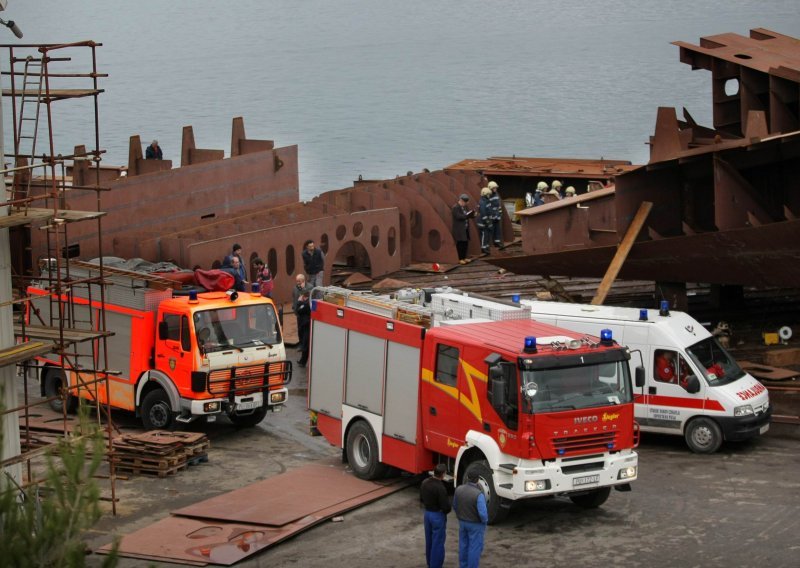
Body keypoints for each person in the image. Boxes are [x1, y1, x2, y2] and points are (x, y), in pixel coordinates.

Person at [453, 469, 488, 568]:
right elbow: (483, 514)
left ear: (468, 478)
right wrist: (484, 523)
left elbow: (455, 505)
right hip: (475, 525)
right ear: (477, 480)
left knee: (463, 546)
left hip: (462, 523)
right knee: (474, 548)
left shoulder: (459, 489)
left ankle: (463, 566)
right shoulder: (478, 494)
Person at [420, 464, 451, 568]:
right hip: (437, 516)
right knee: (437, 543)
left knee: (429, 541)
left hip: (427, 514)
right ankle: (435, 565)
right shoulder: (440, 487)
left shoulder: (425, 483)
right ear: (443, 474)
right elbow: (446, 507)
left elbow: (421, 499)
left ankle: (430, 563)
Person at [293, 274, 313, 367]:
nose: (297, 283)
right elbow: (294, 301)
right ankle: (302, 358)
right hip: (301, 320)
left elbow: (302, 308)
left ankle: (303, 361)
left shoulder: (310, 288)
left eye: (299, 281)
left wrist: (300, 302)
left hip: (306, 323)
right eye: (296, 281)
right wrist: (295, 309)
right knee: (301, 334)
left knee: (306, 342)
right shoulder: (295, 289)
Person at [451, 193, 476, 264]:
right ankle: (460, 258)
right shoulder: (455, 207)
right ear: (461, 200)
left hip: (465, 229)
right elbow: (459, 217)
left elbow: (466, 215)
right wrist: (468, 215)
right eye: (465, 202)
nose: (465, 204)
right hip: (459, 230)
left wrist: (472, 215)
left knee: (465, 243)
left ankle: (464, 257)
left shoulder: (464, 207)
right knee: (460, 244)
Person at [476, 187, 493, 254]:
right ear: (485, 194)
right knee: (484, 235)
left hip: (486, 221)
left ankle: (486, 246)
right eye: (488, 194)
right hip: (482, 222)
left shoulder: (486, 201)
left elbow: (489, 211)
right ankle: (483, 248)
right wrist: (488, 222)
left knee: (487, 235)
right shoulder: (483, 202)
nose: (489, 196)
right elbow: (483, 214)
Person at [487, 181, 503, 248]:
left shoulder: (496, 194)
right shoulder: (488, 195)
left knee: (497, 230)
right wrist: (492, 215)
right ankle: (491, 243)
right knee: (492, 230)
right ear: (490, 188)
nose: (495, 189)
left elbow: (498, 205)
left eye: (496, 188)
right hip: (492, 216)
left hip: (497, 215)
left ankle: (497, 242)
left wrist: (500, 213)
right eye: (494, 188)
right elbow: (488, 207)